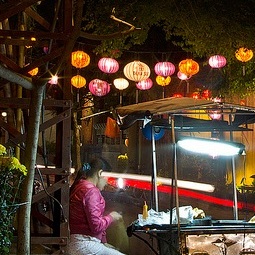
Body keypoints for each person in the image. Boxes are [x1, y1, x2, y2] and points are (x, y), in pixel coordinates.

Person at [67, 158, 126, 255]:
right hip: (85, 245)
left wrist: (104, 242)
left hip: (76, 243)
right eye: (107, 178)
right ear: (100, 173)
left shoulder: (79, 186)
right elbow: (96, 226)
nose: (107, 182)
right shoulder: (91, 191)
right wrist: (112, 217)